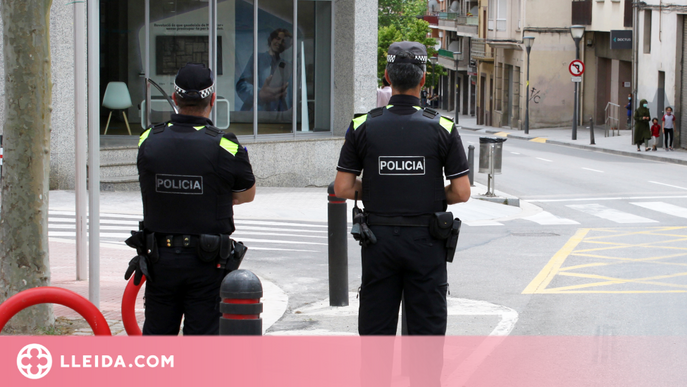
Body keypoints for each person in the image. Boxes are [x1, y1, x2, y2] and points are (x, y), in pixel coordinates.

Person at [334, 41, 471, 337]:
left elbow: (342, 187)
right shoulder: (443, 127)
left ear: (387, 76)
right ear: (423, 79)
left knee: (375, 333)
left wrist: (376, 187)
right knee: (426, 335)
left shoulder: (362, 126)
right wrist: (432, 193)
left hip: (378, 242)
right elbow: (461, 192)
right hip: (427, 242)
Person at [131, 63, 256, 335]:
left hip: (159, 260)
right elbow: (248, 193)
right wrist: (212, 196)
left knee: (156, 344)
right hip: (207, 264)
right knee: (202, 347)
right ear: (212, 100)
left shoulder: (148, 139)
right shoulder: (226, 144)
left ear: (175, 99)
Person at [236, 28, 292, 112]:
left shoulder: (286, 65)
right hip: (255, 112)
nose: (279, 42)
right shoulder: (257, 58)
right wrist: (259, 94)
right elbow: (242, 85)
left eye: (283, 41)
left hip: (277, 114)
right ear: (271, 39)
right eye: (277, 38)